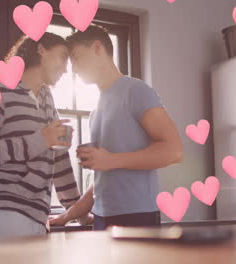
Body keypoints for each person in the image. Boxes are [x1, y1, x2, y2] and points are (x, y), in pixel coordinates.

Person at [49, 25, 183, 230]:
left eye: (76, 57)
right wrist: (70, 214)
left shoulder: (136, 91)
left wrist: (110, 160)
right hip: (102, 217)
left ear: (97, 47)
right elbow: (104, 178)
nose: (73, 69)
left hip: (137, 216)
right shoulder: (96, 110)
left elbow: (174, 151)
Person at [0, 32, 89, 240]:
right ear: (41, 49)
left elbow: (59, 160)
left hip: (38, 216)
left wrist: (79, 214)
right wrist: (40, 140)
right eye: (63, 57)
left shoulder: (47, 100)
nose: (66, 69)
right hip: (5, 211)